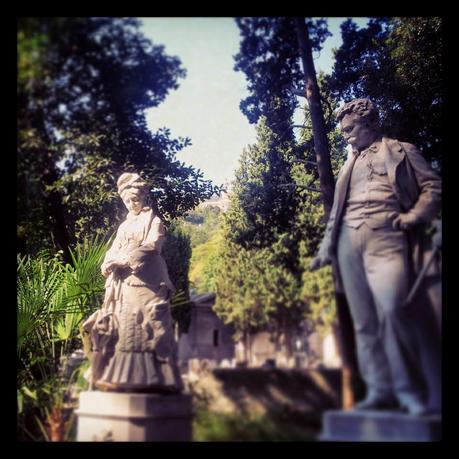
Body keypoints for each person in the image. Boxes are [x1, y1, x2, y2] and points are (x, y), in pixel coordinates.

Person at [310, 98, 441, 415]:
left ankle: (410, 390)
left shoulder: (401, 150)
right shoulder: (347, 165)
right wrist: (327, 247)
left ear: (369, 123)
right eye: (342, 131)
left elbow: (434, 187)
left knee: (394, 310)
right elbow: (337, 212)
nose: (346, 135)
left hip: (387, 237)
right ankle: (381, 390)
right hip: (347, 243)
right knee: (364, 323)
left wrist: (415, 217)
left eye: (350, 128)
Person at [83, 172, 183, 393]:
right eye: (127, 200)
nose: (131, 204)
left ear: (145, 197)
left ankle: (162, 379)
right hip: (124, 283)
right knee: (124, 329)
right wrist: (108, 263)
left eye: (135, 199)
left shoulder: (154, 221)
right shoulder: (124, 226)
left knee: (153, 324)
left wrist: (125, 259)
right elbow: (113, 250)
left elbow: (152, 246)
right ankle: (123, 377)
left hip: (148, 280)